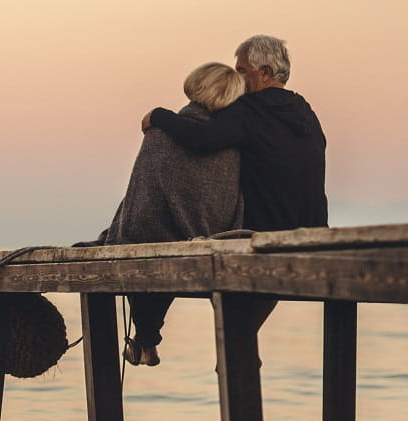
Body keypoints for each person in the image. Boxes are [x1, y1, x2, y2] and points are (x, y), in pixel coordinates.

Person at [143, 35, 327, 359]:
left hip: (262, 235)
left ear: (265, 72)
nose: (236, 78)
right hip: (309, 234)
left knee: (171, 236)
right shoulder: (304, 111)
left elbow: (203, 139)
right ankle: (242, 357)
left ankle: (234, 361)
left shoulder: (249, 109)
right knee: (239, 330)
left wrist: (158, 116)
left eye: (241, 70)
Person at [90, 62, 247, 366]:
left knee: (137, 242)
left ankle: (146, 340)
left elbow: (141, 197)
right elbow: (227, 199)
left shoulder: (160, 135)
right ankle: (146, 341)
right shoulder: (230, 147)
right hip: (210, 236)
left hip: (158, 238)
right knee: (157, 243)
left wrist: (117, 234)